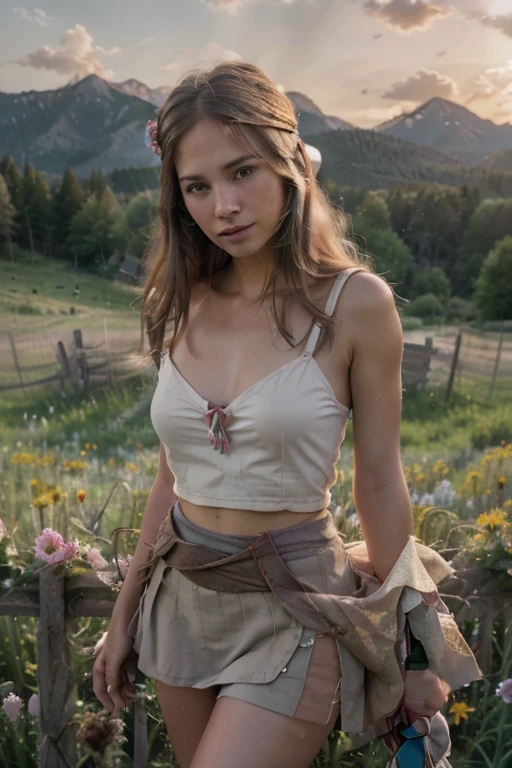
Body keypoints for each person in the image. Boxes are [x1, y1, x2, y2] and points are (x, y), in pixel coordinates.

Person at [92, 61, 481, 768]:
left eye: (242, 172)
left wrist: (418, 648)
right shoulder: (178, 306)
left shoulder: (356, 305)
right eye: (198, 187)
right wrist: (123, 619)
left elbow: (381, 485)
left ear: (290, 165)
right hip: (179, 605)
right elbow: (169, 483)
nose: (224, 206)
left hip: (294, 608)